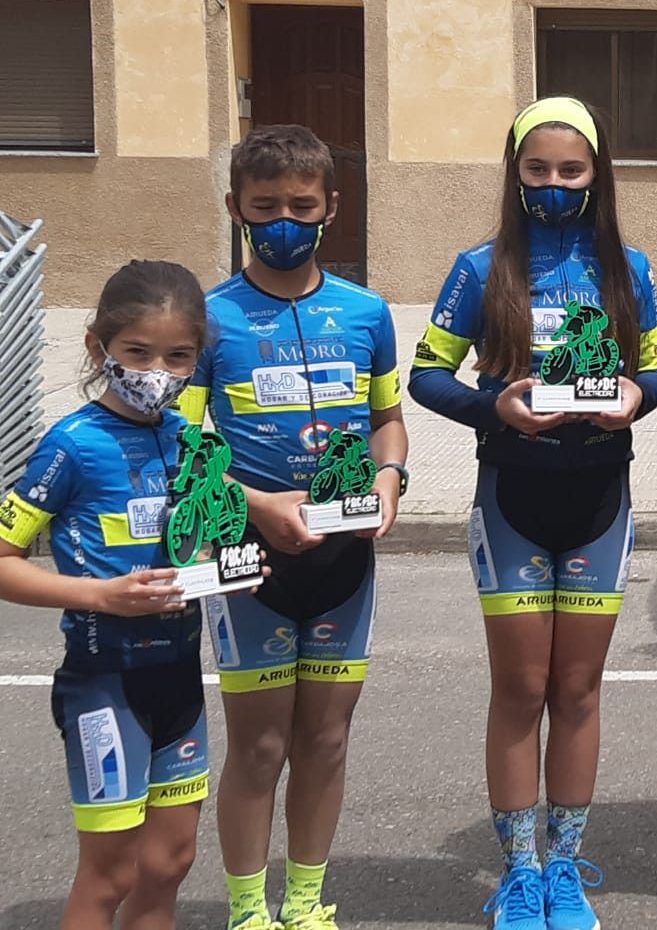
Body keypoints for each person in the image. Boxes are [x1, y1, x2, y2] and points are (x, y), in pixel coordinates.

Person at [410, 96, 657, 930]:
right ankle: (518, 870)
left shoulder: (630, 267)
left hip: (599, 498)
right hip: (511, 496)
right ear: (514, 174)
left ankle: (564, 870)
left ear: (598, 176)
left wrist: (639, 394)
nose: (553, 185)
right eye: (537, 170)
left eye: (571, 171)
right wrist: (497, 407)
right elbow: (426, 375)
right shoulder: (478, 267)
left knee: (580, 689)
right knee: (521, 687)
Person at [179, 125, 410, 930]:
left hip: (344, 554)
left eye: (301, 206)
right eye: (265, 205)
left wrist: (390, 479)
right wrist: (252, 506)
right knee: (259, 748)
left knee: (326, 743)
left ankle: (306, 903)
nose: (284, 219)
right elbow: (183, 441)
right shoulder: (206, 318)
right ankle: (248, 911)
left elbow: (387, 419)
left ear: (331, 210)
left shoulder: (368, 312)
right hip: (250, 557)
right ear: (237, 209)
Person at [0, 261, 214, 930]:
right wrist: (99, 595)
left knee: (170, 862)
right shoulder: (70, 446)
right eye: (138, 353)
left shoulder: (190, 440)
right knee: (112, 871)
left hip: (179, 681)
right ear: (99, 348)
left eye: (177, 356)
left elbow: (217, 522)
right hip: (104, 685)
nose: (157, 370)